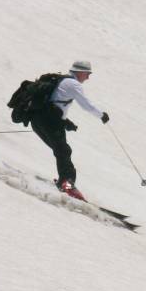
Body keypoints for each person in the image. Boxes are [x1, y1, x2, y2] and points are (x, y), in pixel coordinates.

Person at [30, 61, 110, 192]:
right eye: (87, 74)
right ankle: (67, 184)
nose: (88, 77)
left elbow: (55, 102)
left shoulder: (63, 80)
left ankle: (64, 182)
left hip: (40, 119)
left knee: (62, 151)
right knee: (63, 151)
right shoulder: (73, 84)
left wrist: (65, 122)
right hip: (49, 122)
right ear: (80, 72)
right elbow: (86, 105)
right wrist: (101, 115)